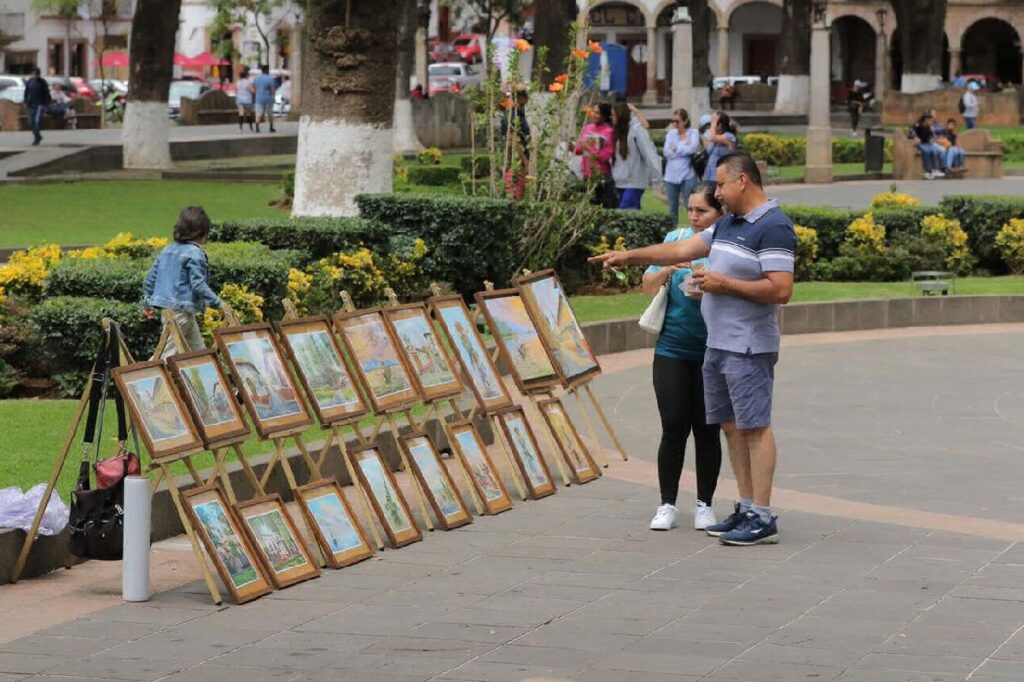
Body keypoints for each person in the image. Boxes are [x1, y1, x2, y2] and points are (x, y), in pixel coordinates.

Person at [590, 151, 796, 546]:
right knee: (732, 429)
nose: (716, 192)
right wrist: (629, 256)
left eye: (720, 184)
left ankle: (763, 517)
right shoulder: (730, 224)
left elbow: (781, 289)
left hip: (748, 346)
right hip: (717, 345)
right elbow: (680, 251)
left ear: (742, 182)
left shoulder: (774, 226)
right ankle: (747, 507)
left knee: (754, 427)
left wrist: (725, 285)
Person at [643, 181, 724, 532]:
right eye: (690, 209)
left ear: (719, 213)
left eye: (702, 211)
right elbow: (645, 286)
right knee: (673, 426)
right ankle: (667, 504)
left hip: (713, 350)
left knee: (707, 429)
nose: (693, 217)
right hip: (671, 349)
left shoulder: (726, 246)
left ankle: (705, 505)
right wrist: (665, 271)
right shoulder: (676, 239)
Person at [143, 207, 223, 359]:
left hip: (175, 312)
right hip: (180, 313)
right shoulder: (195, 253)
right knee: (164, 357)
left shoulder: (167, 250)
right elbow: (198, 284)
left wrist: (148, 303)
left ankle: (204, 381)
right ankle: (141, 381)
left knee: (199, 353)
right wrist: (218, 304)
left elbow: (149, 280)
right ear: (201, 234)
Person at [610, 102, 662, 210]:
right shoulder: (617, 132)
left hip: (634, 182)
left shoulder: (637, 130)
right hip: (619, 181)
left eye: (614, 115)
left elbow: (649, 154)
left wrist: (657, 178)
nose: (612, 118)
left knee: (626, 212)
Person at [663, 108, 701, 224]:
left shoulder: (693, 132)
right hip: (671, 175)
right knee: (672, 206)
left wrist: (676, 148)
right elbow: (666, 152)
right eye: (673, 121)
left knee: (690, 205)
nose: (675, 124)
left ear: (684, 121)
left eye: (677, 121)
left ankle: (694, 230)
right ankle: (673, 232)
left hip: (687, 174)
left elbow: (693, 148)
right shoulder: (671, 133)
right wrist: (684, 149)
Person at [574, 102, 616, 208]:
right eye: (593, 112)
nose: (594, 115)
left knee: (602, 208)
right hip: (586, 174)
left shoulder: (609, 131)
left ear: (604, 116)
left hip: (601, 175)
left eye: (597, 113)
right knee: (587, 208)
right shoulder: (588, 128)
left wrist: (590, 149)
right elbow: (578, 150)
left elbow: (606, 156)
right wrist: (574, 147)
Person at [501, 86, 531, 200]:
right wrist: (524, 159)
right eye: (526, 97)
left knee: (520, 192)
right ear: (521, 97)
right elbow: (511, 139)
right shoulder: (513, 115)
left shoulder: (520, 114)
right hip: (515, 160)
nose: (527, 100)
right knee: (515, 193)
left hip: (520, 160)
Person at [911, 111, 946, 179]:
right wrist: (915, 137)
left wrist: (932, 136)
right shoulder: (918, 125)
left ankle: (935, 170)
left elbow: (931, 136)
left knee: (935, 151)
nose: (931, 121)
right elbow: (912, 131)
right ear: (925, 119)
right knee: (927, 151)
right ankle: (926, 171)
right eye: (929, 119)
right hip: (920, 144)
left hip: (927, 143)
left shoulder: (928, 126)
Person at [703, 111, 737, 182]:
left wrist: (713, 122)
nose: (711, 125)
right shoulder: (716, 138)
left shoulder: (729, 136)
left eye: (713, 122)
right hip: (710, 176)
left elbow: (712, 138)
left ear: (720, 125)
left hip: (721, 178)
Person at [24, 68, 51, 146]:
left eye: (36, 74)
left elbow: (46, 93)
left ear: (38, 74)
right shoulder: (30, 81)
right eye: (33, 74)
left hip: (40, 103)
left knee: (37, 121)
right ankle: (38, 136)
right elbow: (26, 92)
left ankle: (36, 138)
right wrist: (25, 101)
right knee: (31, 121)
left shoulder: (42, 82)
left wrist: (46, 104)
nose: (34, 76)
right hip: (31, 104)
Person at [253, 65, 276, 133]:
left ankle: (257, 127)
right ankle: (271, 127)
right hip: (268, 98)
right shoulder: (270, 78)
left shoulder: (256, 78)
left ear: (261, 70)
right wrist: (273, 95)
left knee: (258, 113)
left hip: (258, 98)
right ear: (267, 70)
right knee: (269, 113)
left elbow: (254, 88)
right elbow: (272, 89)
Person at [236, 67, 255, 132]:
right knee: (248, 113)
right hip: (247, 99)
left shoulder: (238, 82)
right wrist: (254, 91)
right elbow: (252, 90)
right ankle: (251, 127)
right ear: (246, 75)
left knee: (241, 113)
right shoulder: (248, 82)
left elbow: (237, 90)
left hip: (239, 99)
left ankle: (240, 127)